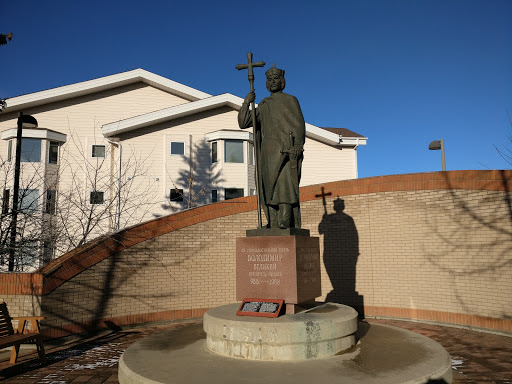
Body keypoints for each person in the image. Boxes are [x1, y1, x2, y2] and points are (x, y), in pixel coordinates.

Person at [238, 66, 306, 228]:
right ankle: (273, 221)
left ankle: (285, 219)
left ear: (282, 81)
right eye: (270, 80)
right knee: (268, 186)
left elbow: (299, 125)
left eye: (276, 79)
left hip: (287, 151)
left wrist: (297, 145)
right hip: (268, 152)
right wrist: (247, 102)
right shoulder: (264, 104)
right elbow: (243, 122)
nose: (273, 82)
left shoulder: (291, 100)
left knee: (284, 184)